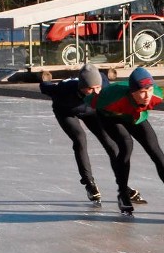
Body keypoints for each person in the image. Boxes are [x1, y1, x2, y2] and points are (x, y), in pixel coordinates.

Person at [86, 67, 164, 216]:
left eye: (149, 89)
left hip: (134, 116)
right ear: (132, 91)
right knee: (126, 144)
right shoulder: (111, 96)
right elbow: (89, 99)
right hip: (111, 116)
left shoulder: (156, 96)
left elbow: (146, 98)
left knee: (155, 151)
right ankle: (123, 194)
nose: (147, 95)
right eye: (142, 91)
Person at [40, 64, 145, 205]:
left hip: (92, 111)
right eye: (90, 89)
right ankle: (89, 184)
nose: (96, 92)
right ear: (81, 87)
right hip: (66, 111)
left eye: (98, 88)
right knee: (80, 139)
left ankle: (123, 186)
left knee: (110, 144)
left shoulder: (103, 83)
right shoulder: (64, 89)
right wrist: (44, 79)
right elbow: (44, 85)